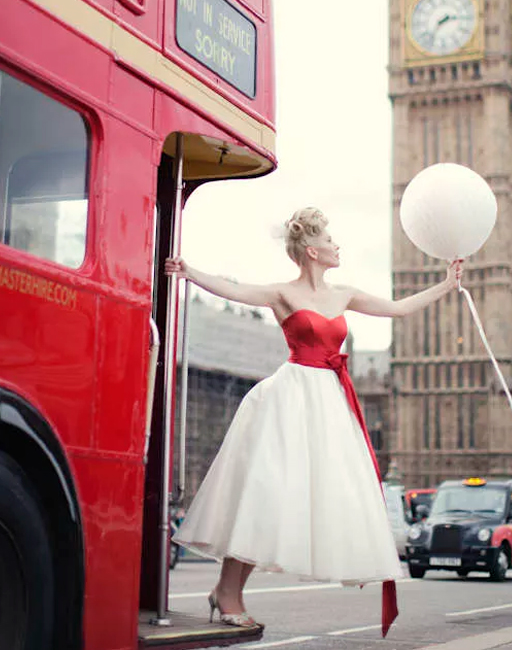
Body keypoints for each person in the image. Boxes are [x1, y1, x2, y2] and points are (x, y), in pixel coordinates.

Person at [165, 207, 462, 637]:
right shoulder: (282, 293)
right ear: (311, 250)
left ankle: (226, 590)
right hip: (289, 401)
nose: (336, 245)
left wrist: (447, 285)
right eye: (330, 240)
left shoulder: (343, 294)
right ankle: (228, 593)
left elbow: (398, 309)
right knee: (266, 496)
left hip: (327, 407)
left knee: (282, 500)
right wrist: (191, 272)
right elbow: (236, 289)